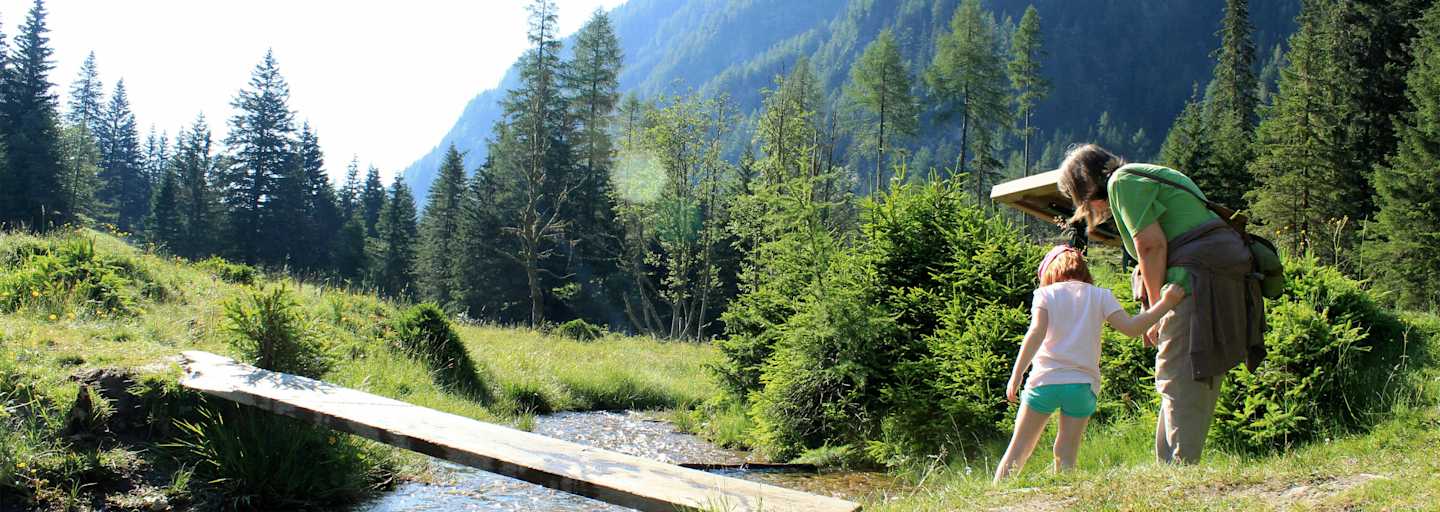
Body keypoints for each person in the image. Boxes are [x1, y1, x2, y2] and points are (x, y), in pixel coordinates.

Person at [1056, 144, 1264, 465]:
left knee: (1180, 373)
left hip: (1195, 282)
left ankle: (1181, 468)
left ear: (1085, 185)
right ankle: (1169, 466)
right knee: (1181, 374)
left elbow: (1151, 246)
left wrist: (1155, 312)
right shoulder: (1142, 175)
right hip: (1209, 277)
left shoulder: (1123, 182)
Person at [993, 245, 1185, 482]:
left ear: (1049, 273)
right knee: (1067, 451)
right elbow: (1132, 328)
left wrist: (1016, 375)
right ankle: (1064, 495)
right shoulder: (1101, 295)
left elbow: (1035, 334)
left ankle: (997, 493)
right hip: (1082, 386)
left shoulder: (1045, 294)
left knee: (1019, 448)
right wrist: (1166, 302)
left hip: (1044, 382)